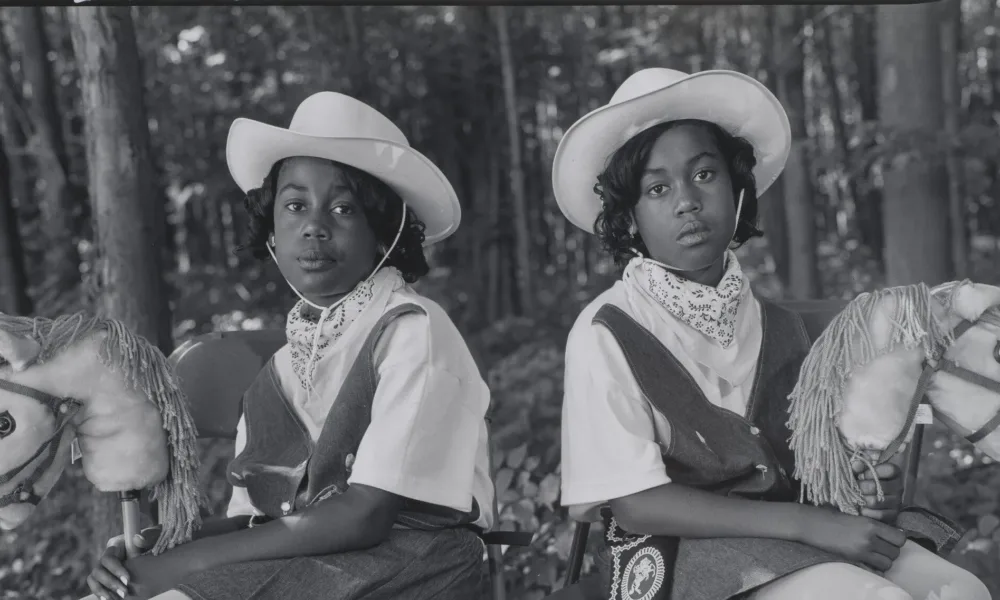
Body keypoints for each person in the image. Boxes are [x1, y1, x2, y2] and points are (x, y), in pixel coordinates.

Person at [553, 68, 991, 600]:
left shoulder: (780, 324)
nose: (686, 201)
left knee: (962, 590)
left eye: (705, 175)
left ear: (739, 190)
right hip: (677, 552)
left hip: (797, 536)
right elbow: (635, 502)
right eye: (658, 187)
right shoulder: (608, 329)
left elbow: (820, 475)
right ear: (629, 219)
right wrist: (808, 525)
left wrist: (873, 490)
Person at [83, 92, 495, 600]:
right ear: (273, 231)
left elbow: (366, 514)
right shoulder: (278, 370)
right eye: (295, 205)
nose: (314, 226)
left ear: (383, 232)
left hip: (414, 566)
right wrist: (157, 547)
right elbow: (257, 524)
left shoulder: (413, 331)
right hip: (312, 561)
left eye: (344, 208)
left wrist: (184, 565)